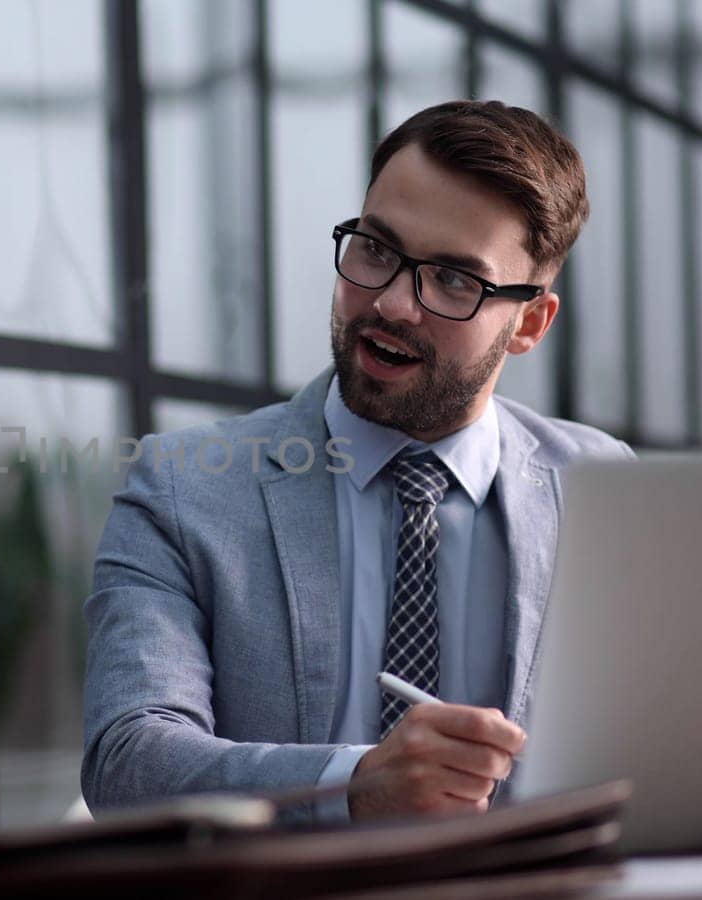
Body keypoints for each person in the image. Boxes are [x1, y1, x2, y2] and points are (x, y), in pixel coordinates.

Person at [82, 100, 634, 825]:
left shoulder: (605, 491)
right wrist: (354, 784)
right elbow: (128, 761)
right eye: (376, 249)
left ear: (529, 323)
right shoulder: (185, 488)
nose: (395, 304)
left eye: (454, 281)